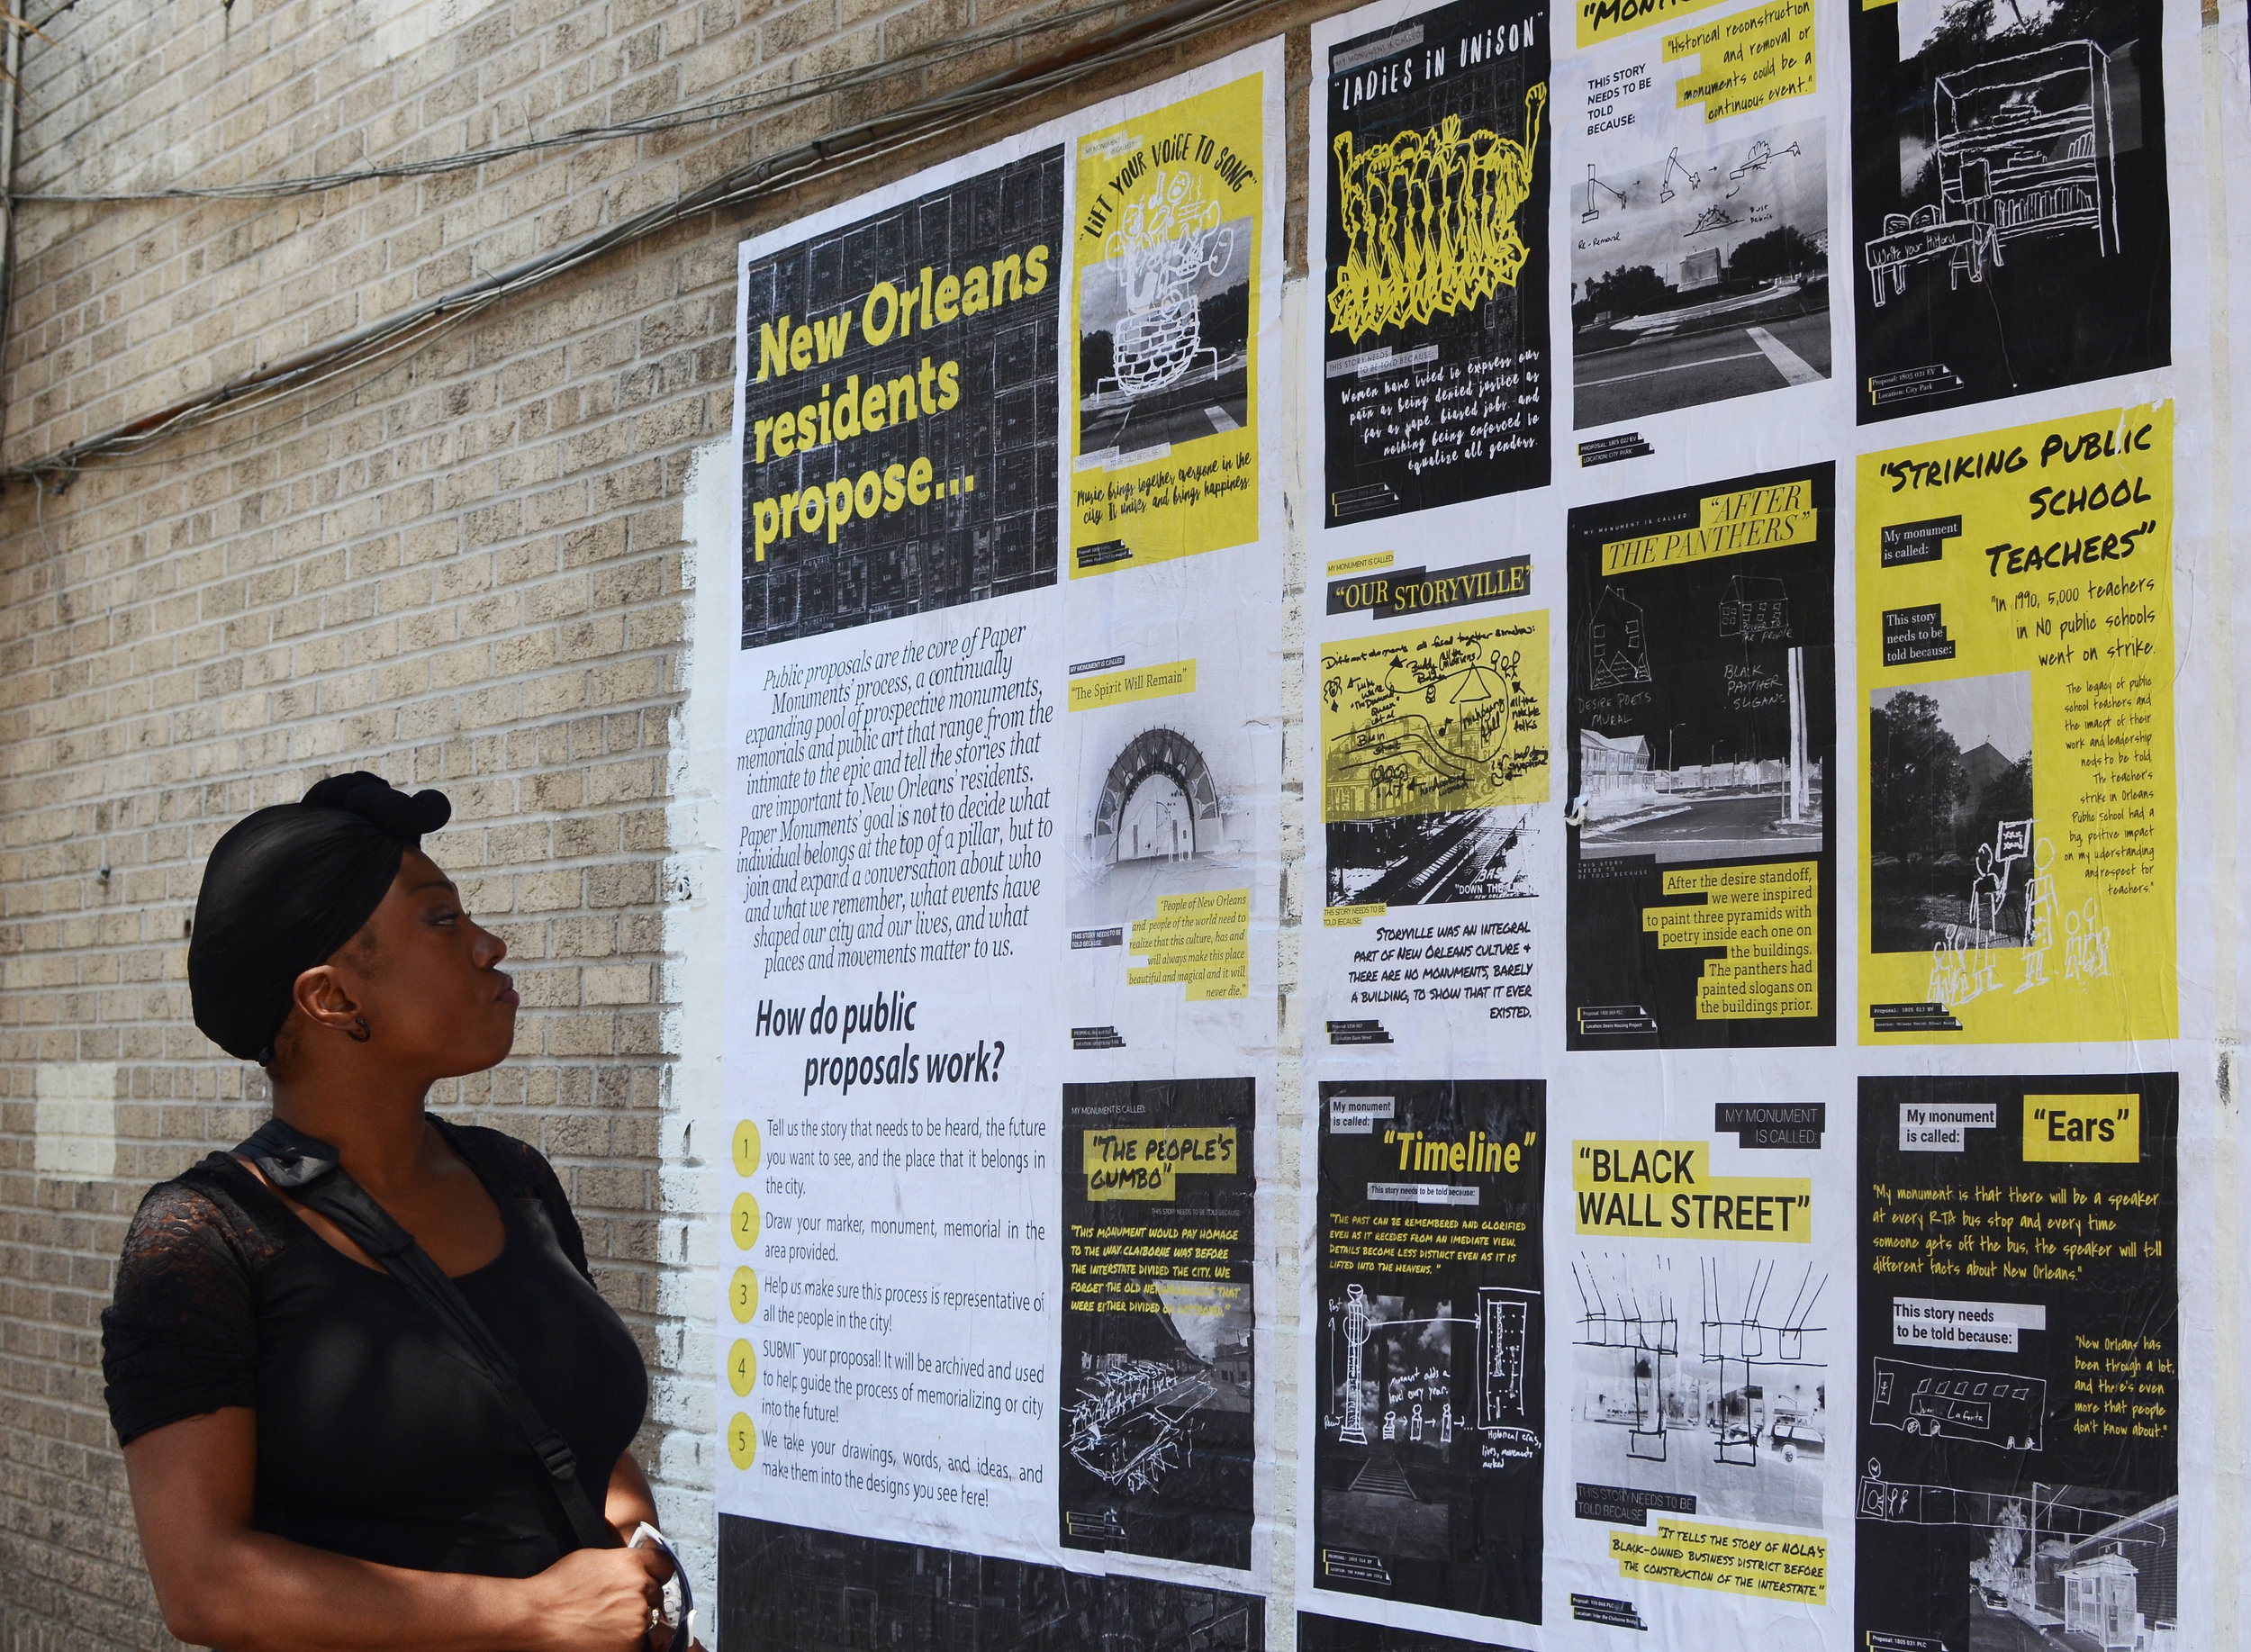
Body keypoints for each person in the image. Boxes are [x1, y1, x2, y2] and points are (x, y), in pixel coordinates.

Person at [102, 772, 695, 1651]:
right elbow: (206, 1583)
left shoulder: (514, 1179)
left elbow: (566, 1424)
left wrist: (631, 1539)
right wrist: (534, 1614)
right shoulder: (205, 1237)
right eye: (443, 919)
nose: (489, 944)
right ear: (333, 997)